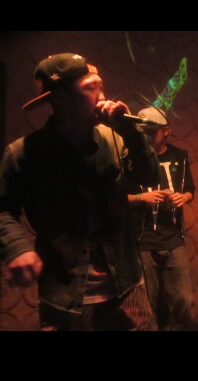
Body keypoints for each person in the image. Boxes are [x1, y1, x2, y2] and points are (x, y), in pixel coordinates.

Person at [0, 53, 161, 331]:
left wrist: (131, 132)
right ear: (61, 98)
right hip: (64, 298)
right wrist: (16, 248)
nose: (103, 97)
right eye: (91, 88)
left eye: (101, 86)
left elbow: (149, 176)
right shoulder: (23, 153)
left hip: (126, 288)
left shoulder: (113, 138)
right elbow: (3, 209)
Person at [128, 106, 196, 330]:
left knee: (184, 300)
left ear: (166, 131)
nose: (146, 137)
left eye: (151, 132)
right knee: (147, 303)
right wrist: (141, 197)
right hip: (143, 241)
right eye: (143, 132)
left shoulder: (179, 157)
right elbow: (115, 197)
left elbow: (190, 189)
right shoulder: (129, 159)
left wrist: (183, 198)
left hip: (173, 238)